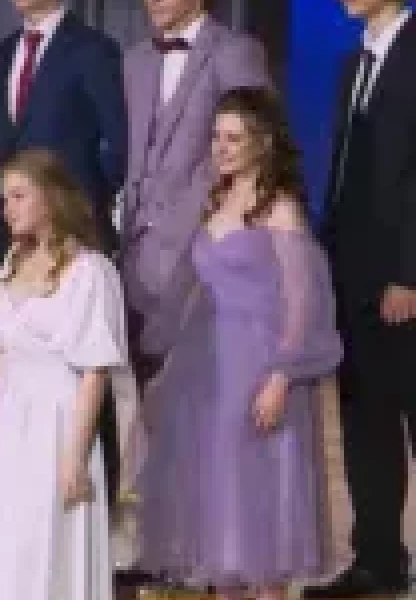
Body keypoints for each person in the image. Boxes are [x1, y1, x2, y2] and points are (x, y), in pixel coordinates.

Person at [138, 87, 342, 600]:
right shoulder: (215, 201)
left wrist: (281, 377)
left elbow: (302, 304)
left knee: (265, 518)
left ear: (262, 142)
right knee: (221, 520)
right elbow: (197, 294)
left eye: (233, 138)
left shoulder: (280, 210)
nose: (221, 148)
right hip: (213, 372)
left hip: (262, 367)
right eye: (216, 137)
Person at [0, 148, 135, 600]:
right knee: (6, 542)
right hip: (8, 422)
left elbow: (94, 372)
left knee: (46, 542)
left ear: (50, 197)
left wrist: (74, 456)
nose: (7, 208)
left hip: (56, 423)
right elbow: (2, 356)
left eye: (19, 196)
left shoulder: (89, 272)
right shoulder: (13, 264)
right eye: (4, 198)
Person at [305, 0, 416, 597]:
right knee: (364, 421)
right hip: (352, 273)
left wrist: (408, 273)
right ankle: (377, 560)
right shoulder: (354, 62)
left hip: (403, 278)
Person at [120, 0, 271, 379]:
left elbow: (257, 150)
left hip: (201, 258)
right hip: (136, 257)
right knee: (145, 394)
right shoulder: (135, 60)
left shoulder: (235, 51)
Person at [0, 0, 126, 265]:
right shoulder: (0, 55)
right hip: (9, 235)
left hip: (73, 233)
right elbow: (8, 147)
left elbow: (119, 144)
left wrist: (85, 201)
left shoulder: (94, 49)